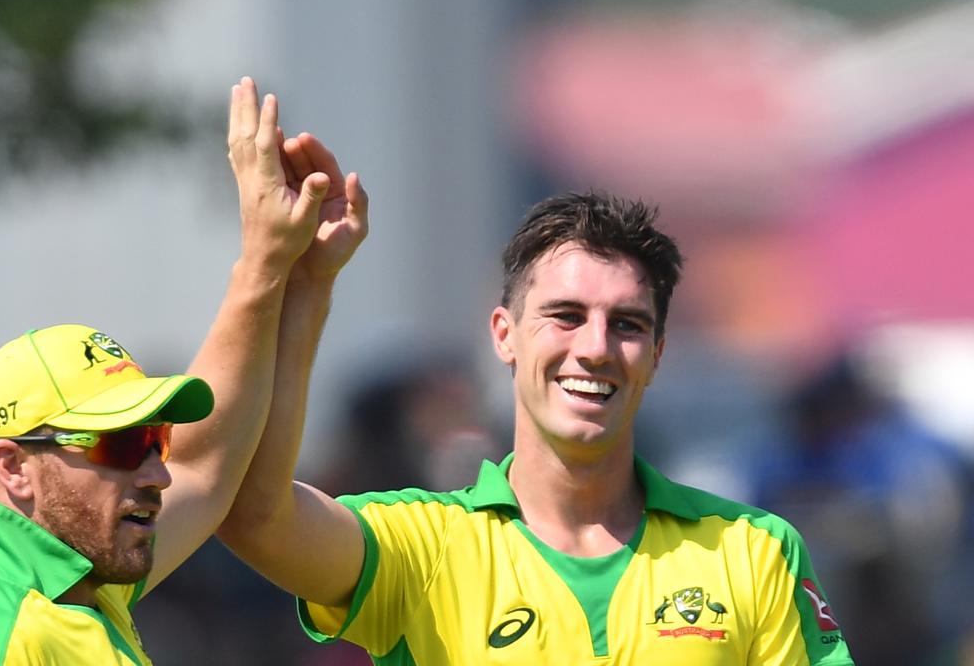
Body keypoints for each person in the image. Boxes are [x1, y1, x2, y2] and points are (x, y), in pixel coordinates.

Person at [213, 192, 855, 664]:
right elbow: (256, 515)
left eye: (627, 324)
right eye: (566, 316)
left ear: (657, 354)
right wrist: (293, 279)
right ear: (505, 335)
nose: (596, 349)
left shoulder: (754, 551)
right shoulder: (426, 547)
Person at [0, 76, 368, 665]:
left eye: (153, 440)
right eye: (119, 446)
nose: (158, 475)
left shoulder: (76, 579)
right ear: (14, 467)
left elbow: (206, 462)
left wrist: (288, 271)